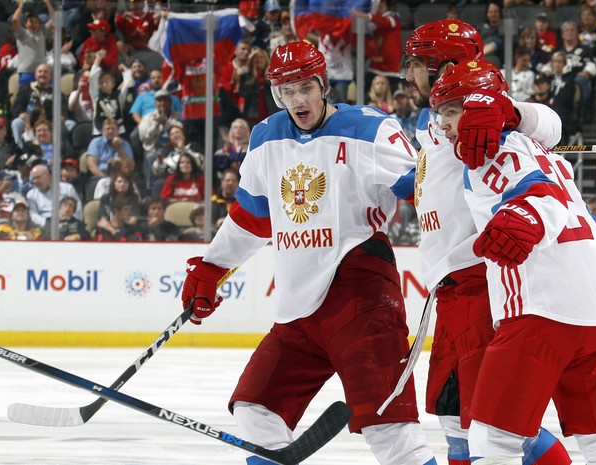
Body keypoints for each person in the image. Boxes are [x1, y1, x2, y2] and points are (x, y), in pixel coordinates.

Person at [180, 41, 438, 465]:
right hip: (298, 310)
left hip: (361, 296)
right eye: (286, 91)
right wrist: (211, 267)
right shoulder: (265, 138)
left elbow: (423, 188)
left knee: (390, 431)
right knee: (255, 411)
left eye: (305, 87)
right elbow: (251, 216)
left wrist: (435, 172)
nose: (297, 100)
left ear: (323, 84)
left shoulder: (371, 128)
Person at [429, 59, 596, 465]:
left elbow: (544, 200)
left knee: (493, 441)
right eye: (443, 114)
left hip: (540, 310)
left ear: (481, 107)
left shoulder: (491, 152)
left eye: (453, 111)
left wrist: (526, 219)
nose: (447, 125)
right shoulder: (546, 151)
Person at [400, 21, 569, 465]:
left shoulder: (484, 116)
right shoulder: (434, 123)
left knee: (499, 427)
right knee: (455, 419)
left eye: (417, 65)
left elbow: (549, 125)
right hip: (451, 294)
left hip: (482, 286)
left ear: (445, 68)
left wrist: (507, 113)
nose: (408, 75)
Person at [140, 90, 181, 189]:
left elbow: (181, 130)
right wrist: (156, 125)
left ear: (170, 102)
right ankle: (151, 189)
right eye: (159, 100)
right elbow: (143, 137)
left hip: (173, 149)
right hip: (154, 149)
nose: (162, 103)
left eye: (165, 100)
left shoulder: (177, 115)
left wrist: (166, 123)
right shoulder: (148, 117)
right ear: (155, 103)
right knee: (150, 157)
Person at [11, 0, 54, 89]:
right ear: (25, 24)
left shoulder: (42, 32)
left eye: (36, 22)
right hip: (26, 72)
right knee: (24, 98)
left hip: (42, 73)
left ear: (39, 24)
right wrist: (20, 6)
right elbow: (15, 20)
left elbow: (54, 20)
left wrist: (48, 3)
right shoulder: (21, 33)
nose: (33, 24)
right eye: (31, 21)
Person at [151, 125, 204, 196]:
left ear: (184, 135)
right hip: (171, 178)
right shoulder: (166, 151)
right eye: (172, 134)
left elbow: (199, 162)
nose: (175, 135)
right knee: (158, 183)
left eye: (177, 132)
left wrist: (183, 149)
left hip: (191, 177)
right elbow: (159, 171)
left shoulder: (194, 147)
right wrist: (160, 161)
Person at [11, 63, 55, 148]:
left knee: (69, 124)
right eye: (40, 72)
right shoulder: (26, 89)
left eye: (45, 72)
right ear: (35, 75)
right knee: (17, 123)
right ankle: (20, 148)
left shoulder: (56, 92)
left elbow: (63, 109)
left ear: (50, 76)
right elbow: (17, 106)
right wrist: (22, 114)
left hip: (50, 122)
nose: (42, 74)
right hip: (29, 120)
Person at [210, 168, 239, 234]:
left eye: (233, 181)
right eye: (228, 180)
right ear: (222, 182)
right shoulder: (213, 201)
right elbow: (208, 223)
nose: (230, 183)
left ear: (238, 183)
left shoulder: (243, 203)